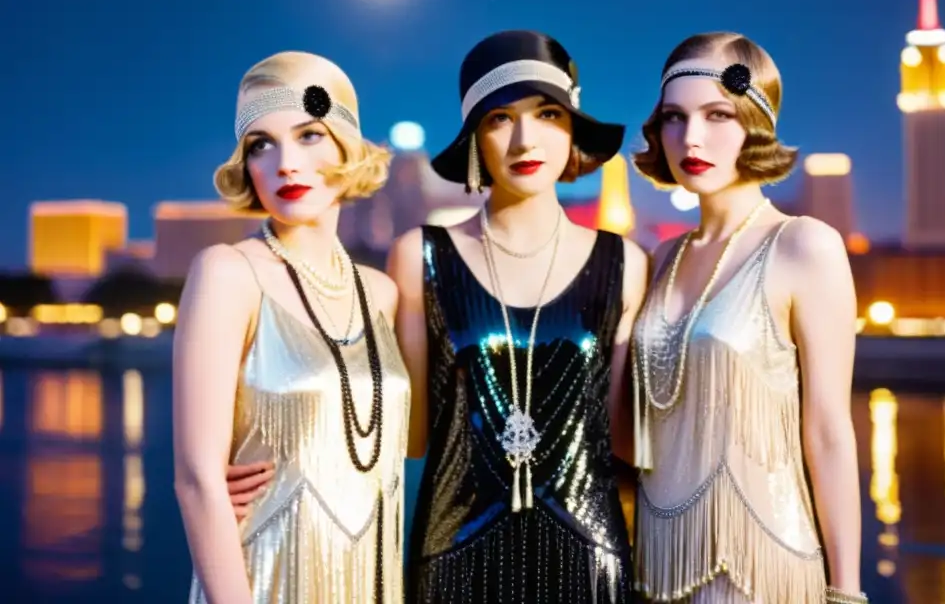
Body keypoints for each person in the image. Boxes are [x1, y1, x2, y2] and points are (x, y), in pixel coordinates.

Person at [388, 29, 648, 602]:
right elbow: (404, 439)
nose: (525, 139)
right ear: (476, 138)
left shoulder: (624, 264)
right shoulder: (419, 258)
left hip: (589, 556)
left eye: (548, 113)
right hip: (454, 554)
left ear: (571, 127)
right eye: (500, 118)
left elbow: (628, 440)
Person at [629, 32, 865, 603]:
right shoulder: (660, 259)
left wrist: (847, 591)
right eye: (674, 118)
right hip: (657, 564)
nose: (693, 138)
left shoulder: (804, 246)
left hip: (763, 570)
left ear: (756, 123)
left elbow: (830, 431)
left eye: (718, 115)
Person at [173, 51, 410, 604]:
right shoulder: (227, 273)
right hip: (263, 581)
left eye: (308, 135)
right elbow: (196, 480)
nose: (285, 163)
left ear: (345, 143)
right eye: (261, 144)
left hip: (372, 580)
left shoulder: (383, 293)